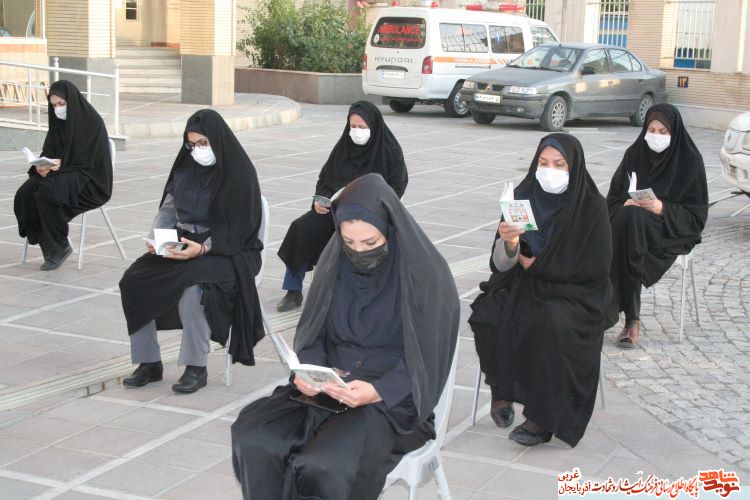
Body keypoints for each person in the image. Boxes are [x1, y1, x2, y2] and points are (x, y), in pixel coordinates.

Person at [232, 173, 459, 500]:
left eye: (370, 243)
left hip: (391, 401)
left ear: (390, 229)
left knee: (324, 464)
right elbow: (314, 334)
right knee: (255, 437)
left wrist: (378, 391)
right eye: (349, 242)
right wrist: (310, 373)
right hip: (330, 387)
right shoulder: (335, 265)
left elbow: (429, 357)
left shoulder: (425, 276)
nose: (358, 251)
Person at [468, 134, 613, 448]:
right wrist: (509, 243)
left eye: (559, 165)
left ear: (574, 167)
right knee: (488, 313)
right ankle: (502, 391)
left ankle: (541, 418)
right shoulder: (522, 197)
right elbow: (500, 265)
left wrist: (543, 267)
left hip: (573, 291)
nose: (550, 171)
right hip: (522, 282)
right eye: (543, 163)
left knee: (549, 322)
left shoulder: (590, 206)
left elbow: (597, 267)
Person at [118, 109, 264, 394]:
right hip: (185, 243)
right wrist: (156, 239)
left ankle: (196, 367)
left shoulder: (239, 174)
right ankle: (149, 362)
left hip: (229, 252)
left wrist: (204, 248)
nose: (197, 150)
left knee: (193, 289)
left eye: (203, 143)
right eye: (192, 144)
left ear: (217, 141)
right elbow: (168, 209)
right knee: (134, 280)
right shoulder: (185, 169)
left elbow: (241, 228)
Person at [276, 101, 408, 312]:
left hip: (372, 215)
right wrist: (320, 200)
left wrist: (372, 207)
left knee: (356, 239)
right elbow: (325, 178)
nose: (356, 132)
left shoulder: (389, 151)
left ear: (374, 126)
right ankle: (293, 290)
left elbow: (397, 187)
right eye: (352, 126)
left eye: (362, 127)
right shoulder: (343, 148)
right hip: (336, 210)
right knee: (301, 228)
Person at [607, 103, 708, 348]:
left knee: (629, 228)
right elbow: (612, 201)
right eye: (651, 130)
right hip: (632, 230)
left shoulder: (689, 161)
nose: (655, 136)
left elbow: (696, 217)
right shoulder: (635, 155)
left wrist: (661, 207)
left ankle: (619, 314)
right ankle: (628, 318)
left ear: (674, 133)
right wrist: (627, 202)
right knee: (629, 221)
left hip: (670, 231)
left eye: (663, 132)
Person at [14, 80, 113, 271]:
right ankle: (47, 244)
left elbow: (89, 161)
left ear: (72, 100)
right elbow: (49, 151)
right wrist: (42, 166)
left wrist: (62, 164)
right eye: (54, 105)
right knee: (26, 192)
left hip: (89, 179)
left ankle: (59, 247)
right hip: (62, 172)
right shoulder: (58, 124)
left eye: (61, 104)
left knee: (48, 192)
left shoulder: (92, 123)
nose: (58, 109)